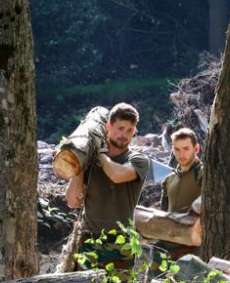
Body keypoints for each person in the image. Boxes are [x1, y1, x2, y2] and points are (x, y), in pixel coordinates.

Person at [66, 103, 150, 271]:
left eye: (129, 130)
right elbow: (72, 201)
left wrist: (100, 153)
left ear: (134, 131)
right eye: (120, 128)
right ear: (108, 127)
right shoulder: (91, 162)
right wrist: (80, 167)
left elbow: (117, 175)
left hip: (120, 244)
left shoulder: (138, 159)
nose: (124, 135)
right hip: (89, 241)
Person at [156, 127, 204, 261]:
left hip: (193, 246)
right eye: (177, 149)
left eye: (186, 148)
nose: (181, 154)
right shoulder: (169, 179)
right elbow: (163, 212)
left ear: (196, 149)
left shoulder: (204, 174)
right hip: (168, 243)